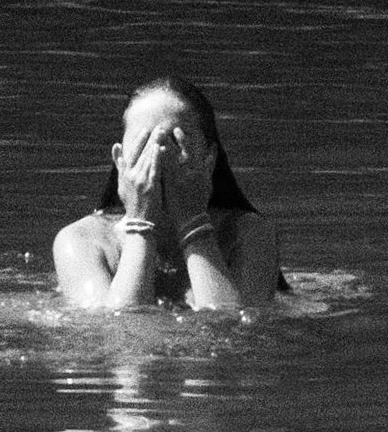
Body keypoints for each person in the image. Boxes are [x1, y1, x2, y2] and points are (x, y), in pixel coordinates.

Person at [53, 77, 282, 313]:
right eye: (145, 143)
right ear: (119, 160)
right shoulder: (81, 241)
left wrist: (193, 222)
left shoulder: (251, 235)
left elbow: (229, 331)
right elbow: (121, 335)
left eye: (176, 140)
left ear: (209, 157)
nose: (160, 154)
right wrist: (139, 223)